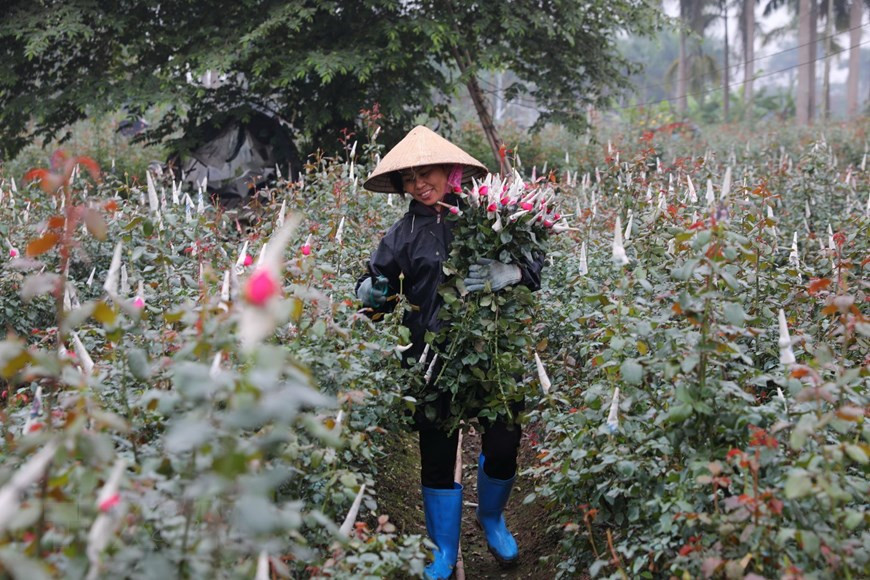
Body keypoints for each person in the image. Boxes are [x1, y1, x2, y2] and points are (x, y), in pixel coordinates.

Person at [356, 126, 544, 579]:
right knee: (437, 452)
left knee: (503, 440)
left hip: (493, 352)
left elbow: (536, 263)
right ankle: (443, 547)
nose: (420, 184)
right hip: (430, 359)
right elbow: (373, 298)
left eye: (427, 173)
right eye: (409, 178)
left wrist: (512, 271)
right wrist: (372, 292)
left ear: (449, 171)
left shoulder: (484, 217)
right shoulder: (400, 236)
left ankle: (492, 518)